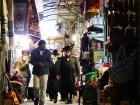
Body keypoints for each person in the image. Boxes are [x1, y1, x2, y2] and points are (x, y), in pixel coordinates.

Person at [30, 40, 52, 105]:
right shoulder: (33, 51)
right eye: (43, 45)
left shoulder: (48, 52)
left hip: (44, 72)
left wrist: (44, 64)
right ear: (39, 45)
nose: (45, 46)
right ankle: (36, 99)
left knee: (43, 88)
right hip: (36, 72)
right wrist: (37, 63)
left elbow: (50, 62)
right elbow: (31, 61)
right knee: (36, 87)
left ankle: (41, 102)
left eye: (45, 45)